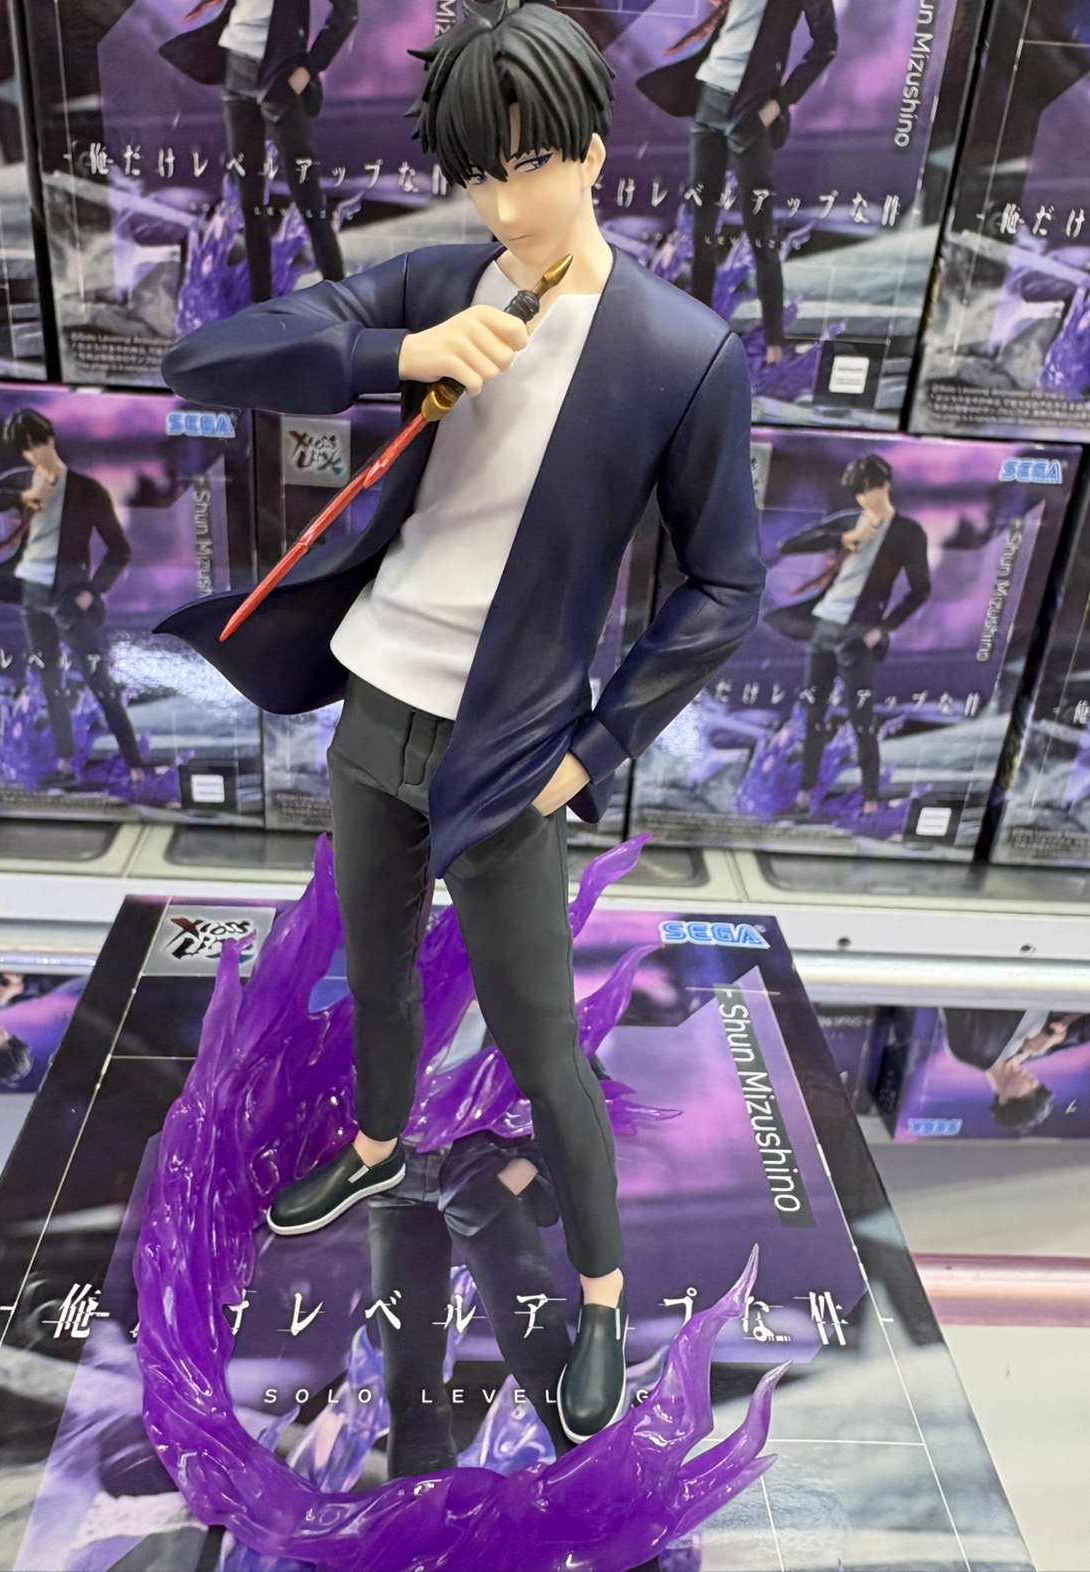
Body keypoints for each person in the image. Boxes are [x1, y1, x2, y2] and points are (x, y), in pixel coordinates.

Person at [159, 0, 763, 1443]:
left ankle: (600, 1298)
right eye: (479, 173)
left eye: (530, 165)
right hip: (378, 694)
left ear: (596, 153)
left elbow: (725, 584)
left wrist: (592, 755)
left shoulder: (678, 351)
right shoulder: (445, 281)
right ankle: (378, 1146)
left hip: (513, 753)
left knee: (543, 1047)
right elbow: (210, 362)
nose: (504, 204)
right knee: (373, 975)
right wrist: (400, 349)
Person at [636, 0, 837, 361]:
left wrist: (778, 104)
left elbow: (826, 43)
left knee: (761, 233)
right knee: (702, 229)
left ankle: (775, 345)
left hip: (750, 111)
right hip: (708, 96)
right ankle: (699, 338)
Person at [368, 1133, 570, 1476]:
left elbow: (582, 1104)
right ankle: (418, 1502)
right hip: (397, 1178)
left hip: (481, 1163)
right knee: (409, 1382)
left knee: (543, 1357)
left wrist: (526, 1166)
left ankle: (596, 1490)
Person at [0, 409, 144, 789]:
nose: (33, 456)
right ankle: (64, 765)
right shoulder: (24, 480)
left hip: (69, 595)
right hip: (32, 593)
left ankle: (135, 768)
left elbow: (119, 551)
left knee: (98, 680)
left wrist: (88, 594)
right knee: (49, 681)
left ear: (50, 440)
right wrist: (23, 496)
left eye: (36, 446)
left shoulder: (87, 490)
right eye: (25, 451)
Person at [767, 453, 930, 816]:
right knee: (813, 715)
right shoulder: (848, 522)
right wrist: (844, 537)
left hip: (858, 635)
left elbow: (921, 590)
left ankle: (871, 803)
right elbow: (788, 545)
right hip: (823, 627)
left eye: (867, 490)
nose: (863, 499)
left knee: (862, 720)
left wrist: (883, 629)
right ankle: (804, 799)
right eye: (858, 492)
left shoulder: (907, 532)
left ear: (884, 485)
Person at [159, 0, 357, 301]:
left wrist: (309, 69)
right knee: (250, 204)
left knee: (309, 200)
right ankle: (260, 304)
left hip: (279, 74)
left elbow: (347, 10)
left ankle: (342, 298)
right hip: (235, 69)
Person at [941, 1008, 1090, 1135]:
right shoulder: (1033, 1052)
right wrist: (1057, 1037)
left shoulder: (968, 1050)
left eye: (1029, 1092)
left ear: (1004, 1099)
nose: (1034, 1082)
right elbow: (1084, 1032)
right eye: (1037, 1087)